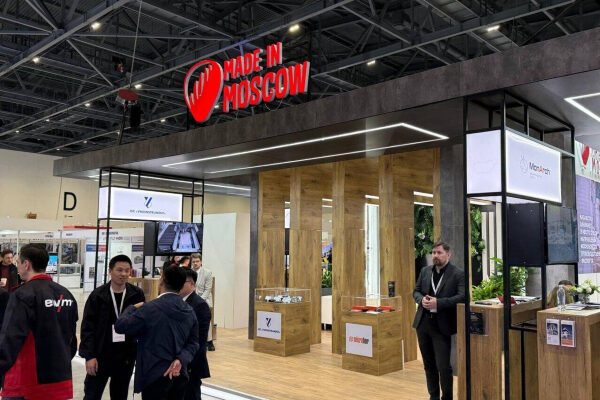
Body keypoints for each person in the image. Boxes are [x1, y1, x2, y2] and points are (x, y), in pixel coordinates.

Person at [0, 244, 78, 400]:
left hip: (26, 382)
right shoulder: (66, 294)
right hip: (59, 379)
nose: (17, 266)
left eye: (18, 262)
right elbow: (71, 339)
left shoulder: (23, 295)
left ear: (26, 264)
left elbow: (10, 339)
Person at [115, 266, 199, 400]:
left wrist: (131, 308)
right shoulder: (189, 311)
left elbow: (121, 326)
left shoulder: (149, 308)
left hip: (153, 375)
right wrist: (181, 359)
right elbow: (193, 343)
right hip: (178, 374)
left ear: (162, 281)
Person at [79, 254, 146, 400]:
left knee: (120, 394)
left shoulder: (136, 294)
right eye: (119, 270)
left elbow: (141, 324)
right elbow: (87, 328)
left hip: (125, 355)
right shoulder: (98, 295)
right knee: (92, 394)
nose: (124, 274)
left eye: (127, 271)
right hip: (101, 354)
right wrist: (90, 356)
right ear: (110, 271)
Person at [413, 241, 465, 400]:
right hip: (423, 324)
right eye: (434, 252)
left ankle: (447, 397)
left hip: (442, 326)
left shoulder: (457, 274)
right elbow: (416, 291)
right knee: (428, 365)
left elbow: (462, 297)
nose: (435, 255)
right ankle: (433, 396)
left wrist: (439, 303)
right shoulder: (425, 271)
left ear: (448, 254)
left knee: (443, 367)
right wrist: (421, 300)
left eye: (439, 253)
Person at [180, 269, 211, 400]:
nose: (177, 285)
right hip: (177, 362)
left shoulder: (200, 305)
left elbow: (199, 340)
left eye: (181, 282)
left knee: (191, 394)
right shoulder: (176, 301)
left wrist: (185, 360)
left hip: (191, 363)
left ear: (192, 283)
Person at [191, 253, 214, 351]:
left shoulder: (207, 272)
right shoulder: (189, 272)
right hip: (192, 299)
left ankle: (209, 341)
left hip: (204, 299)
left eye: (197, 261)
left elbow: (208, 289)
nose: (195, 263)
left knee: (205, 320)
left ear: (201, 262)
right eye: (193, 262)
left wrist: (199, 301)